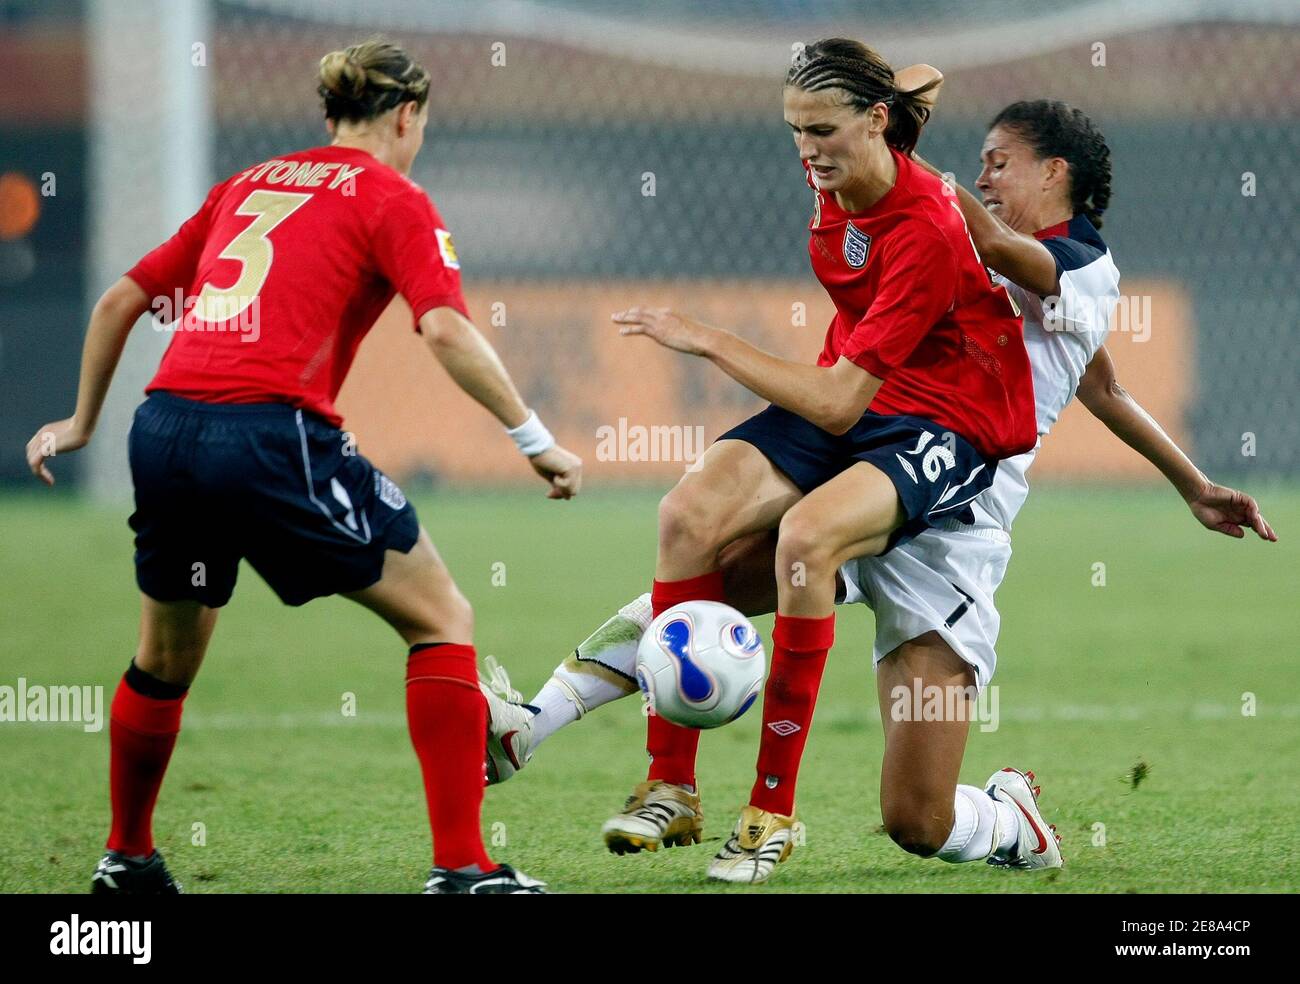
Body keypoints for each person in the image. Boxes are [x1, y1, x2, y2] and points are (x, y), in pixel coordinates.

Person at [478, 95, 1275, 884]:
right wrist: (1197, 485)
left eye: (1001, 163)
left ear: (1056, 171)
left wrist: (892, 149)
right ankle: (532, 728)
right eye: (981, 165)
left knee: (916, 821)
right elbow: (1100, 384)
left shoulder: (1083, 269)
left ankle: (1008, 820)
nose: (985, 177)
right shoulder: (956, 243)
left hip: (951, 536)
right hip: (879, 465)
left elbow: (1090, 373)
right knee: (697, 585)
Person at [24, 38, 582, 895]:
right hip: (269, 433)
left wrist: (80, 420)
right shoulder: (394, 196)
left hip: (165, 427)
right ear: (406, 116)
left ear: (330, 115)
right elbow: (442, 328)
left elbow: (119, 300)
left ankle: (127, 858)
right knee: (441, 618)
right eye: (421, 123)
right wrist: (533, 436)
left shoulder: (247, 182)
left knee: (164, 658)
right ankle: (465, 870)